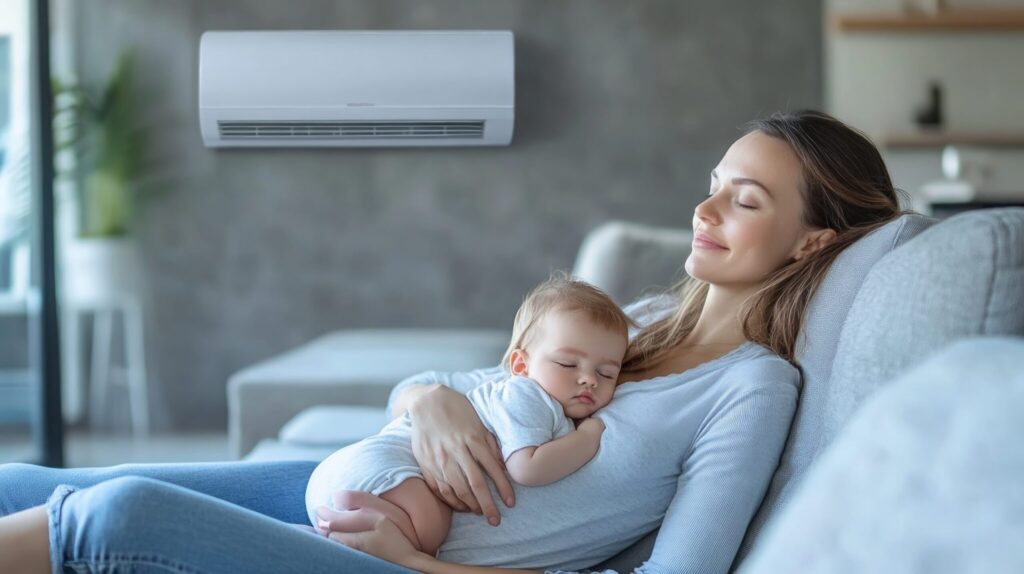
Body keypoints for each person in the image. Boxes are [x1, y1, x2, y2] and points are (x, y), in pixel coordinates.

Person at [0, 110, 905, 574]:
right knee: (34, 484)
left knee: (117, 520)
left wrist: (421, 568)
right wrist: (425, 401)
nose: (703, 211)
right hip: (393, 485)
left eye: (745, 201)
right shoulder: (637, 320)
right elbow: (466, 380)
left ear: (812, 242)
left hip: (416, 559)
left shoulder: (752, 388)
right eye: (714, 184)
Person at [305, 274, 632, 556]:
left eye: (605, 373)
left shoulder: (541, 396)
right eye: (568, 364)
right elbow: (527, 466)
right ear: (520, 365)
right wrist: (588, 438)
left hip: (347, 477)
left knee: (417, 535)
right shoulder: (526, 394)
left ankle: (329, 541)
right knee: (430, 532)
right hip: (382, 466)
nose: (588, 378)